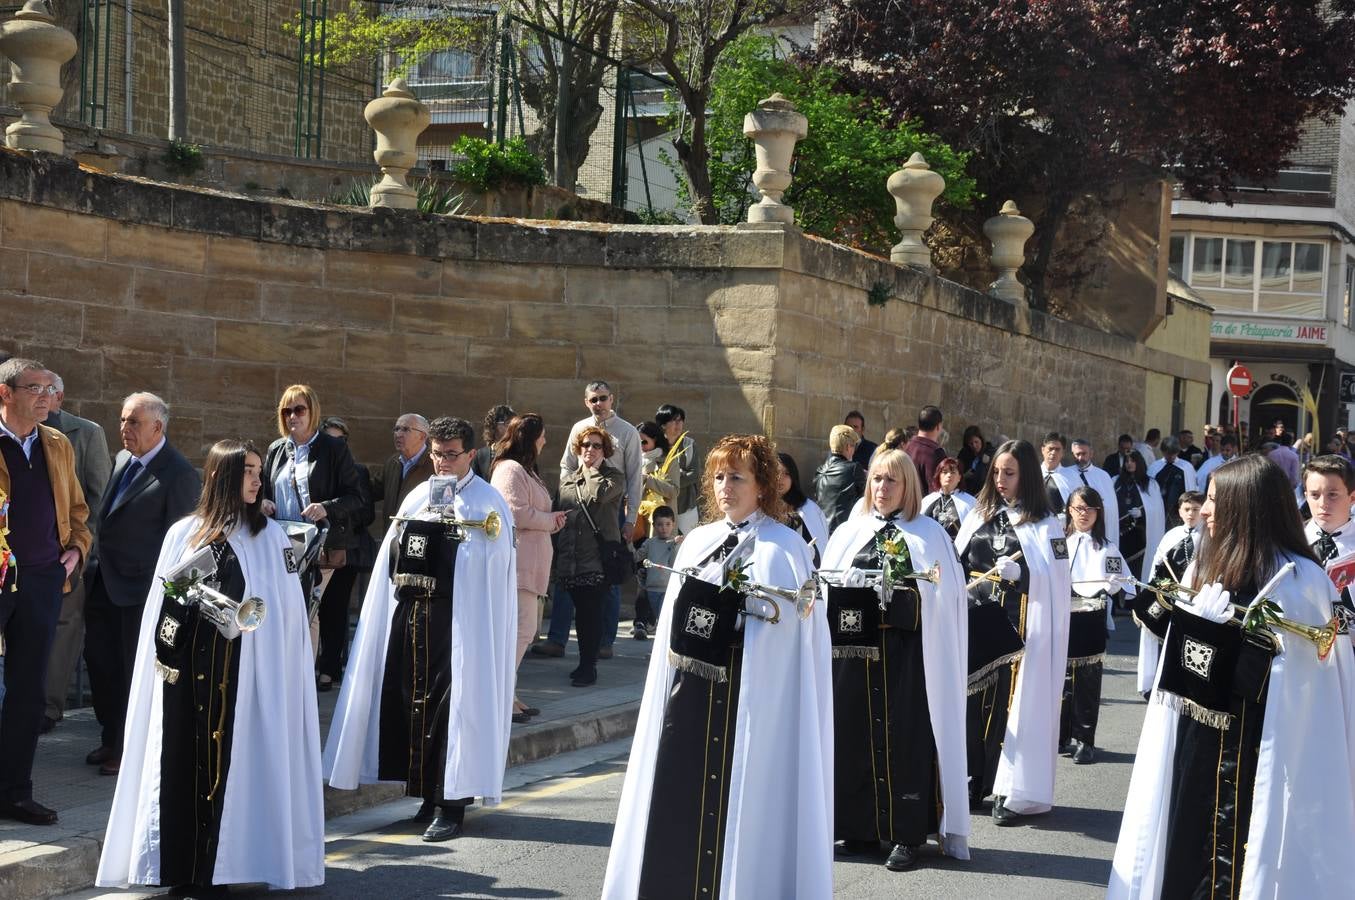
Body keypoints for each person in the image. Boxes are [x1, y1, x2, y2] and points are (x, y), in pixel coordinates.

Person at [1108, 454, 1355, 899]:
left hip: (1262, 752)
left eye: (1215, 500)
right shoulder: (1204, 565)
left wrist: (1229, 644)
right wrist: (1194, 629)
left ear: (1247, 505)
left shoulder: (1301, 582)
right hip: (1195, 744)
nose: (1204, 510)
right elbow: (1178, 668)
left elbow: (1302, 688)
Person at [601, 434, 831, 899]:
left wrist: (747, 619)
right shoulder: (697, 542)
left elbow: (797, 634)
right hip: (692, 693)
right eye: (719, 477)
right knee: (681, 792)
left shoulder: (787, 547)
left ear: (762, 485)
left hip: (754, 697)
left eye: (737, 477)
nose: (726, 486)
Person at [96, 439, 324, 897]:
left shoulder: (270, 537)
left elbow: (286, 615)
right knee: (180, 765)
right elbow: (165, 602)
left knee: (232, 768)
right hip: (186, 673)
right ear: (222, 476)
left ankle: (221, 870)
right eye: (248, 471)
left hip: (244, 676)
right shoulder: (185, 533)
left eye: (259, 471)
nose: (257, 480)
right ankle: (182, 869)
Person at [325, 416, 516, 843]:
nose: (443, 462)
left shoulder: (487, 504)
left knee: (451, 709)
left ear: (470, 454)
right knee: (414, 705)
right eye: (436, 454)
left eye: (451, 455)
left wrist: (452, 546)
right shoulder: (418, 496)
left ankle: (452, 804)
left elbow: (491, 568)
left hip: (460, 623)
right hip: (413, 616)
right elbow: (393, 554)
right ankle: (427, 793)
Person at [824, 448, 969, 871]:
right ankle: (860, 828)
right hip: (857, 654)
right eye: (876, 479)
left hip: (909, 655)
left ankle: (906, 833)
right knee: (854, 737)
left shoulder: (929, 534)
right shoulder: (849, 532)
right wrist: (846, 587)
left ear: (908, 486)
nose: (882, 488)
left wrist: (902, 594)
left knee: (906, 740)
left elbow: (946, 598)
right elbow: (826, 591)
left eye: (891, 480)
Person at [83, 392, 200, 777]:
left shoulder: (178, 473)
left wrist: (165, 596)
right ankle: (111, 737)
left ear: (157, 427)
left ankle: (129, 749)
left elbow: (181, 543)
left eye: (133, 422)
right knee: (101, 665)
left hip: (140, 592)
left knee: (131, 672)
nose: (124, 428)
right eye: (122, 420)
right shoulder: (123, 459)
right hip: (104, 582)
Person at [956, 439, 1071, 825]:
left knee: (1011, 707)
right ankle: (974, 779)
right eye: (996, 472)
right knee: (973, 704)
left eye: (1010, 473)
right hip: (976, 617)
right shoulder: (978, 514)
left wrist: (1024, 574)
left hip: (1020, 626)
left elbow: (1059, 582)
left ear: (1028, 476)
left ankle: (1012, 788)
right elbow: (957, 559)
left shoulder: (1045, 523)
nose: (1000, 479)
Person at [0, 358, 91, 826]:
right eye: (33, 388)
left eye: (48, 389)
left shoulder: (57, 443)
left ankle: (14, 793)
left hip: (41, 580)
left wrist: (76, 550)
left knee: (29, 691)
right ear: (5, 393)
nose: (45, 397)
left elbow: (77, 510)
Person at [260, 384, 367, 649]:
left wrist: (326, 507)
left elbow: (356, 496)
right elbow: (264, 488)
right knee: (283, 608)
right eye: (286, 411)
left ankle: (303, 671)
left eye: (299, 410)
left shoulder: (333, 448)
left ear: (312, 412)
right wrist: (264, 502)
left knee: (307, 609)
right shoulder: (277, 449)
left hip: (319, 544)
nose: (292, 416)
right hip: (281, 542)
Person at [40, 371, 112, 734]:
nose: (41, 398)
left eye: (47, 392)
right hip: (26, 552)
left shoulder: (86, 433)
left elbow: (100, 497)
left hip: (70, 551)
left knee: (64, 628)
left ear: (60, 397)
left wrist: (84, 549)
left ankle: (48, 707)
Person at [489, 414, 567, 720]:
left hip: (531, 564)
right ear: (531, 438)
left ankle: (509, 692)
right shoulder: (510, 469)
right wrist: (550, 520)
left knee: (522, 631)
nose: (545, 440)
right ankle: (500, 696)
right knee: (521, 630)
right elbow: (514, 513)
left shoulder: (526, 470)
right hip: (519, 563)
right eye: (542, 435)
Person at [560, 382, 644, 652]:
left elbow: (635, 477)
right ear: (586, 402)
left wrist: (630, 519)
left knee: (608, 573)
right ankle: (557, 639)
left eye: (603, 398)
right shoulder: (579, 428)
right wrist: (567, 494)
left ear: (612, 399)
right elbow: (566, 465)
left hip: (610, 508)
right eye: (594, 399)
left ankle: (605, 641)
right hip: (578, 506)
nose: (599, 404)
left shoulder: (627, 431)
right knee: (567, 570)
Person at [1058, 486, 1133, 765]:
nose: (1084, 514)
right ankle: (1061, 734)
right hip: (1062, 615)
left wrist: (1112, 585)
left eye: (1090, 508)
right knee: (1061, 680)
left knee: (1087, 681)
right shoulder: (1059, 543)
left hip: (1090, 618)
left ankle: (1085, 739)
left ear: (1098, 512)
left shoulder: (1107, 547)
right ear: (1069, 510)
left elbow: (1120, 580)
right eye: (1079, 508)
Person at [551, 426, 626, 685]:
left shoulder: (614, 477)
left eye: (596, 446)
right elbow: (559, 513)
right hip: (570, 556)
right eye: (585, 445)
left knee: (589, 614)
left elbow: (600, 494)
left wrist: (592, 469)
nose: (590, 449)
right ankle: (584, 662)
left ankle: (588, 666)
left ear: (605, 451)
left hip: (598, 558)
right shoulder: (568, 480)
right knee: (581, 611)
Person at [314, 417, 377, 692]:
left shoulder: (357, 471)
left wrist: (337, 515)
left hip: (343, 549)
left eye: (340, 440)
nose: (335, 444)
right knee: (312, 609)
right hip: (314, 546)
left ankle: (329, 669)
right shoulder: (311, 468)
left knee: (335, 608)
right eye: (329, 438)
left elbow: (366, 512)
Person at [1136, 491, 1204, 695]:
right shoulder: (1171, 536)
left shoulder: (1209, 537)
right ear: (1180, 511)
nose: (1191, 513)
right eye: (1187, 509)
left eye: (1196, 509)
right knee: (1160, 637)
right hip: (1166, 598)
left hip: (1193, 598)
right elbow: (1156, 568)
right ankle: (1155, 683)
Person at [371, 413, 433, 530]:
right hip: (392, 534)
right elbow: (372, 491)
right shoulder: (393, 462)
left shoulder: (435, 465)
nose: (398, 434)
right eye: (396, 429)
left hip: (418, 535)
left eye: (405, 429)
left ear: (422, 436)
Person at [1113, 450, 1165, 583]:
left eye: (1133, 461)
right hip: (1120, 533)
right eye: (1127, 461)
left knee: (1137, 570)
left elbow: (1157, 509)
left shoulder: (1150, 483)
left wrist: (1143, 512)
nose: (1129, 464)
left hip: (1140, 534)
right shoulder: (1116, 481)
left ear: (1139, 462)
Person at [634, 506, 679, 633]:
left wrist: (678, 544)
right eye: (660, 524)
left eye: (667, 524)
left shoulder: (675, 543)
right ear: (654, 526)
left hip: (667, 590)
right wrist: (628, 546)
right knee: (644, 606)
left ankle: (660, 632)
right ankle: (643, 626)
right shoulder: (649, 543)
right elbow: (637, 557)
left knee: (664, 618)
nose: (664, 528)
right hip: (650, 589)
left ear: (673, 524)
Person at [655, 404, 699, 533]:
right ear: (663, 424)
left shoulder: (689, 444)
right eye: (674, 420)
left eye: (680, 420)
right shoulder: (654, 444)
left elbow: (694, 474)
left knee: (688, 540)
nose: (678, 424)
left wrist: (672, 484)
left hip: (685, 504)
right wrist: (679, 473)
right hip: (659, 504)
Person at [1067, 438, 1120, 544]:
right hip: (1074, 528)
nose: (1080, 457)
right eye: (1077, 454)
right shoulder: (1067, 474)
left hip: (1098, 528)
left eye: (1084, 454)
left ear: (1091, 454)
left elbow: (1111, 507)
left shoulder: (1103, 476)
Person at [778, 451, 829, 561]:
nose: (780, 478)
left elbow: (820, 547)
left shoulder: (807, 509)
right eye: (776, 473)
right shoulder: (758, 506)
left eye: (786, 473)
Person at [815, 423, 865, 531]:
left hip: (821, 530)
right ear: (848, 447)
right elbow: (866, 500)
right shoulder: (854, 469)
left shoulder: (820, 471)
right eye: (853, 446)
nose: (854, 451)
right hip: (843, 532)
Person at [920, 457, 976, 539]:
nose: (949, 475)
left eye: (953, 472)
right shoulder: (927, 501)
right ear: (939, 476)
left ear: (959, 477)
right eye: (945, 472)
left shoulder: (970, 503)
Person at [1147, 435, 1197, 527]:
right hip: (1160, 509)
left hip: (1178, 512)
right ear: (1163, 451)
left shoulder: (1186, 467)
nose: (1171, 456)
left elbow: (1191, 488)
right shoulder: (1155, 467)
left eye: (1174, 453)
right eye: (1168, 454)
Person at [903, 405, 947, 492]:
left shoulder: (907, 446)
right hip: (925, 500)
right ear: (938, 426)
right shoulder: (937, 453)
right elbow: (937, 489)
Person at [472, 404, 514, 481]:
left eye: (514, 424)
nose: (512, 427)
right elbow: (475, 483)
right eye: (507, 423)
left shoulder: (521, 452)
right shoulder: (481, 455)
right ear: (494, 425)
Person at [1039, 431, 1073, 518]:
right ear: (1043, 450)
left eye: (1057, 449)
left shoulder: (1072, 477)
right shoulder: (1032, 473)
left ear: (1063, 453)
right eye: (1050, 448)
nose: (1053, 453)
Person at [957, 425, 995, 495]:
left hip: (983, 492)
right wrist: (964, 476)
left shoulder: (990, 452)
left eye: (976, 442)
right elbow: (956, 472)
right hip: (966, 492)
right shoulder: (964, 453)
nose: (974, 446)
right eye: (971, 443)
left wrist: (988, 463)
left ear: (981, 440)